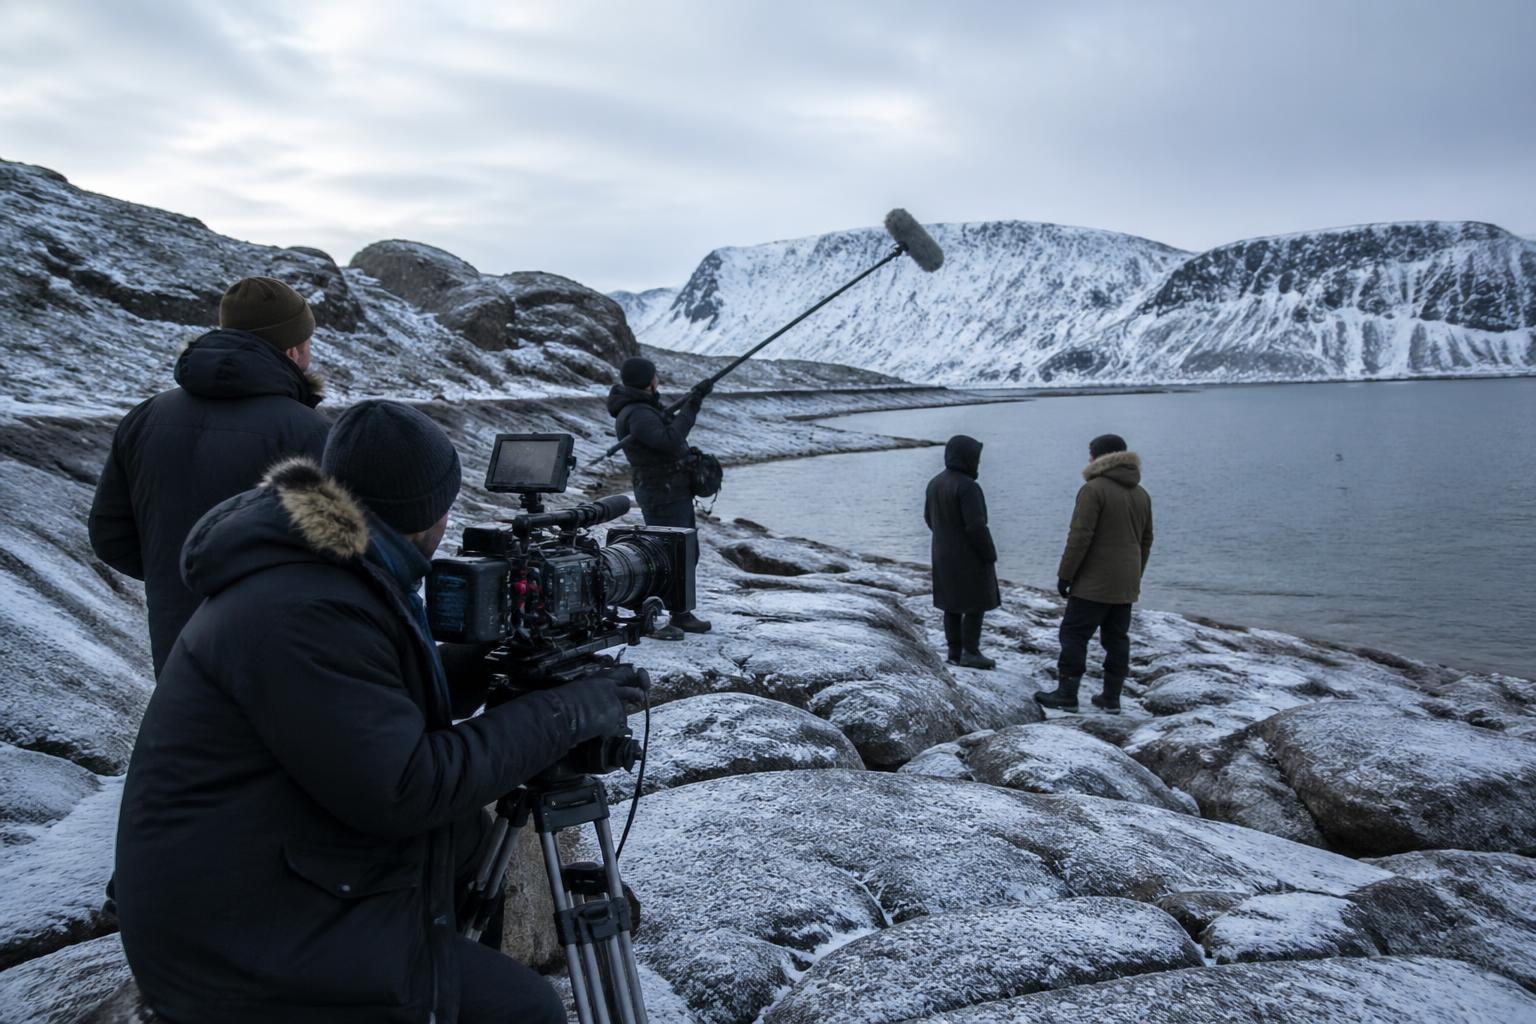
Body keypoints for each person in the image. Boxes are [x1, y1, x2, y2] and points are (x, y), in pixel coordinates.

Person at [114, 400, 646, 1024]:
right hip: (238, 937)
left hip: (264, 872)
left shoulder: (323, 571)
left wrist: (490, 657)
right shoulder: (306, 609)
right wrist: (567, 713)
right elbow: (408, 787)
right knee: (524, 1012)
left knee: (467, 841)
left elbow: (367, 707)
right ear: (426, 514)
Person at [88, 276, 329, 676]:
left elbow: (110, 536)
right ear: (292, 349)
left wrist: (178, 577)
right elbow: (341, 556)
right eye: (308, 342)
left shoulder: (144, 417)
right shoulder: (309, 432)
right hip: (282, 658)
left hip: (179, 653)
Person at [1035, 433, 1154, 714]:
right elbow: (1146, 540)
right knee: (1117, 639)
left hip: (1094, 581)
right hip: (1126, 581)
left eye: (1090, 453)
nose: (1088, 459)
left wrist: (1066, 575)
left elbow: (1080, 536)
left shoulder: (1094, 489)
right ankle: (1111, 698)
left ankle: (1067, 694)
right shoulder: (1141, 493)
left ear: (1100, 457)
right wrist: (1135, 574)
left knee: (1074, 634)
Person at [606, 355, 712, 637]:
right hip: (663, 493)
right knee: (672, 554)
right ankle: (670, 614)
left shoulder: (641, 409)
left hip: (668, 490)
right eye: (654, 376)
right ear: (648, 380)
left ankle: (678, 610)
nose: (657, 380)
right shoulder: (638, 413)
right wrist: (692, 406)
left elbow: (665, 432)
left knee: (683, 551)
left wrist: (691, 399)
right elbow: (671, 442)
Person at [924, 434, 1001, 669]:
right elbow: (976, 526)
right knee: (975, 604)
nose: (978, 462)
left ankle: (954, 652)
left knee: (951, 604)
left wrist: (945, 537)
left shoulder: (935, 483)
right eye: (976, 457)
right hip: (968, 556)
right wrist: (989, 553)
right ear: (966, 457)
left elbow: (928, 519)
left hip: (942, 554)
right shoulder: (968, 487)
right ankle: (971, 651)